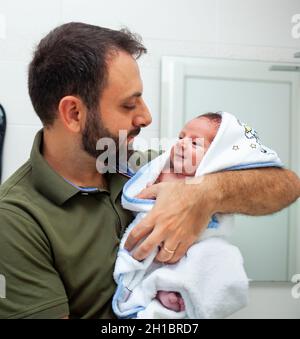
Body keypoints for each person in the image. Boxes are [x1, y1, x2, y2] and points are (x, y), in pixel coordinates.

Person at [0, 22, 299, 319]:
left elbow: (286, 185)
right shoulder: (15, 219)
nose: (146, 116)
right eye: (129, 105)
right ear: (74, 113)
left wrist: (206, 194)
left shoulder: (147, 168)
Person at [112, 111, 282, 319]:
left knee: (219, 257)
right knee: (154, 263)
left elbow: (275, 184)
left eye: (195, 143)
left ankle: (178, 293)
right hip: (155, 244)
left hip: (198, 243)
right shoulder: (162, 167)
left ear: (215, 156)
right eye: (181, 137)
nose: (182, 144)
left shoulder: (212, 177)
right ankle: (158, 291)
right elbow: (140, 198)